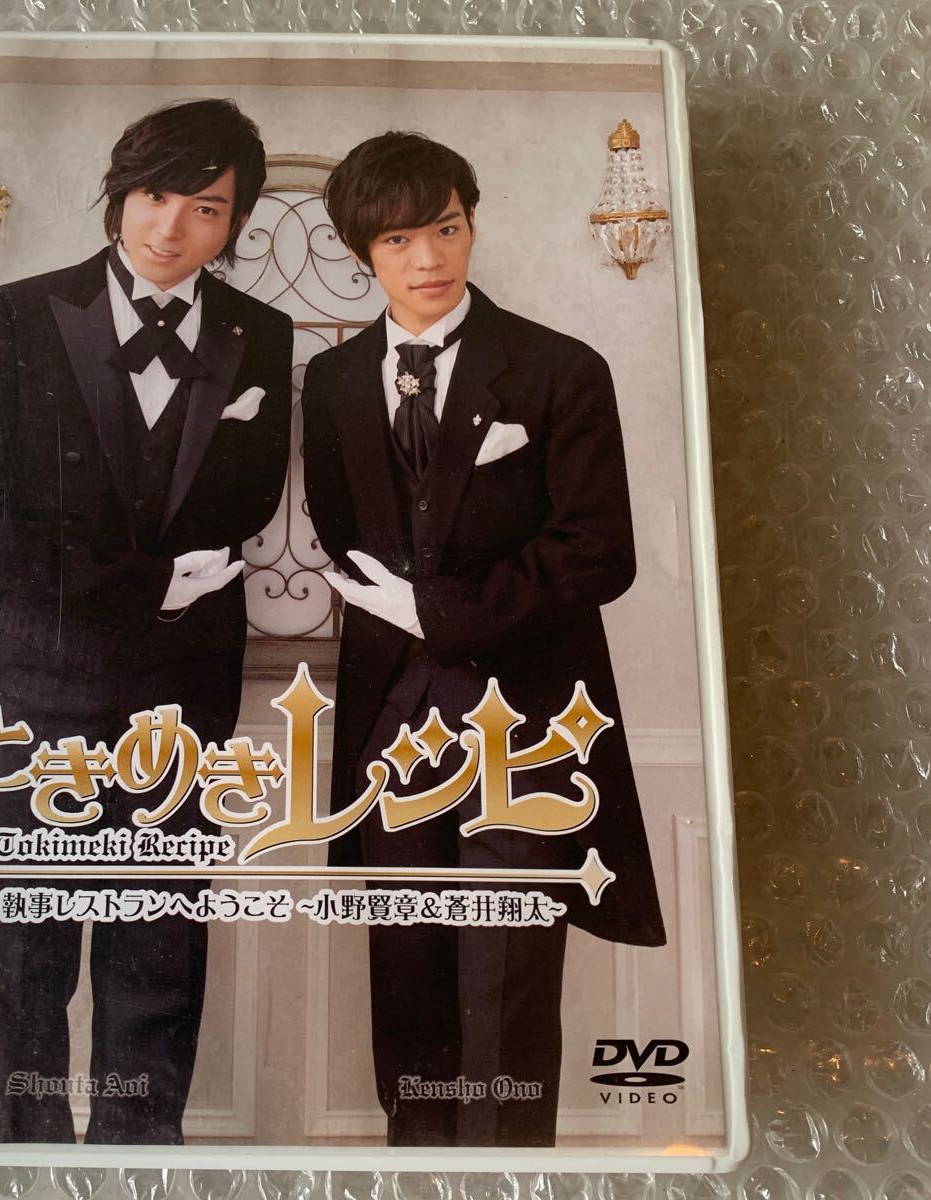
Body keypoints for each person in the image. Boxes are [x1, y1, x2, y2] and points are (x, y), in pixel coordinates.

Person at [0, 98, 293, 1144]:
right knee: (21, 965)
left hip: (179, 697)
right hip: (26, 692)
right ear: (120, 193)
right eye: (153, 195)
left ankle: (141, 1167)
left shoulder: (261, 335)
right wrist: (135, 585)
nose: (170, 226)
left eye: (205, 207)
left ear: (236, 222)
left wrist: (161, 579)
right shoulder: (10, 315)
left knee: (158, 966)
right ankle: (21, 1176)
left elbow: (250, 497)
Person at [300, 131, 665, 1147]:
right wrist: (407, 615)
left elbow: (600, 551)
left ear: (472, 223)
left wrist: (441, 611)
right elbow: (346, 534)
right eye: (399, 239)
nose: (429, 258)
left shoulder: (560, 368)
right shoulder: (330, 383)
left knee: (507, 988)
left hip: (529, 729)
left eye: (447, 228)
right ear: (362, 252)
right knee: (407, 983)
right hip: (391, 722)